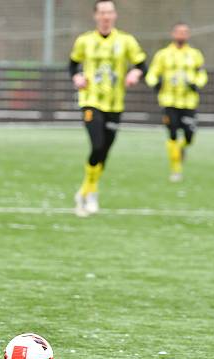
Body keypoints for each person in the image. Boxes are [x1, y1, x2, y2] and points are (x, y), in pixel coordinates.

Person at [69, 0, 147, 217]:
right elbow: (72, 63)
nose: (106, 16)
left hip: (115, 103)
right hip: (91, 100)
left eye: (109, 12)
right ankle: (91, 193)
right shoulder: (85, 40)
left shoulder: (126, 40)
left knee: (104, 151)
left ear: (115, 15)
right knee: (97, 144)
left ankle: (85, 190)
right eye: (102, 12)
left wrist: (135, 73)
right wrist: (76, 76)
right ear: (96, 16)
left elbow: (141, 64)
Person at [145, 22, 208, 182]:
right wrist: (155, 83)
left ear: (188, 35)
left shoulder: (195, 54)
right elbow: (152, 73)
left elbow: (202, 74)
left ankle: (182, 148)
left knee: (189, 136)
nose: (181, 35)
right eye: (178, 32)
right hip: (169, 101)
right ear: (173, 34)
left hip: (188, 102)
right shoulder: (163, 54)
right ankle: (176, 170)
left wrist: (197, 83)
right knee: (172, 134)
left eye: (184, 32)